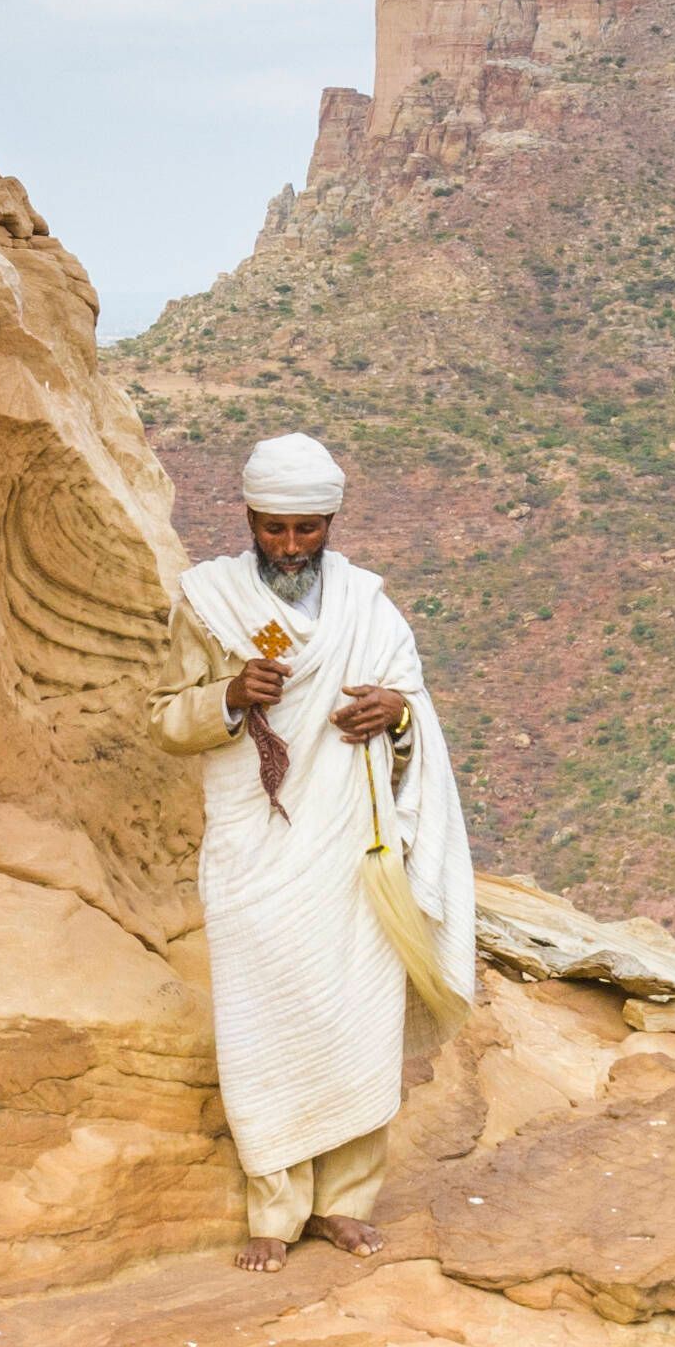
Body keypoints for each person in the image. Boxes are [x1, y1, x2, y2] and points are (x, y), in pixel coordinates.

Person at [150, 431, 475, 1269]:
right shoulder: (209, 601)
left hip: (353, 846)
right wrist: (227, 694)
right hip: (256, 846)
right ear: (250, 517)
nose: (288, 546)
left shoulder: (369, 606)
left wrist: (393, 714)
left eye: (305, 529)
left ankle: (346, 1201)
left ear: (330, 520)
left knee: (355, 1014)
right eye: (272, 528)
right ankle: (276, 1204)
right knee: (267, 1014)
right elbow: (164, 716)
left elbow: (413, 708)